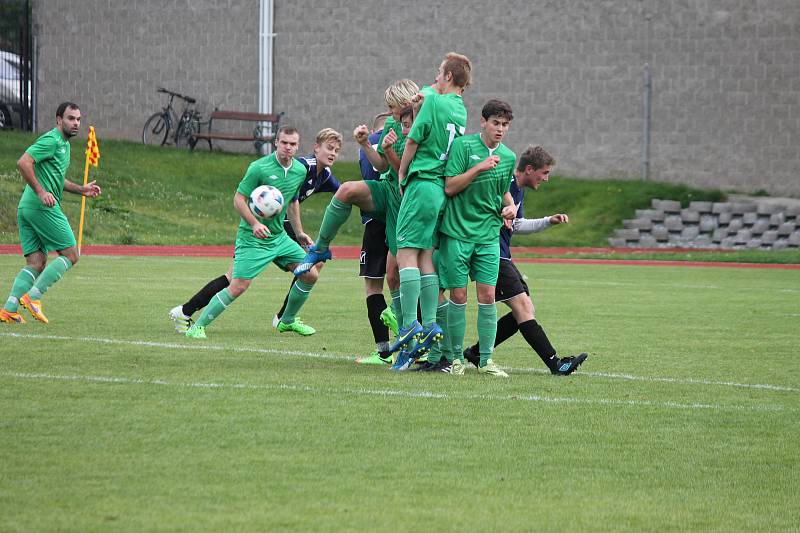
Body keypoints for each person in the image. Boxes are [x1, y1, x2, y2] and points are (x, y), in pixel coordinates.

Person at [291, 79, 420, 364]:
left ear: (407, 102)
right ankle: (320, 248)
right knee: (347, 189)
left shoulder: (425, 125)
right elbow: (382, 167)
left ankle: (409, 344)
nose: (390, 112)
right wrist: (364, 143)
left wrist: (387, 151)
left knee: (396, 275)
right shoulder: (392, 125)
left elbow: (406, 172)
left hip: (410, 201)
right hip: (388, 191)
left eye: (393, 106)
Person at [170, 128, 343, 335]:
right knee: (236, 283)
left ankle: (285, 319)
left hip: (279, 234)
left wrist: (299, 233)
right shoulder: (268, 167)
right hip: (256, 235)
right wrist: (254, 223)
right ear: (276, 142)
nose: (288, 147)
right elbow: (238, 199)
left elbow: (296, 200)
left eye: (293, 144)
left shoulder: (306, 171)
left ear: (298, 146)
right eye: (284, 143)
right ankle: (193, 321)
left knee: (311, 270)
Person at [461, 146, 589, 375]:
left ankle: (478, 352)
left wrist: (549, 220)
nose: (546, 178)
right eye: (544, 172)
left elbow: (517, 224)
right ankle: (556, 364)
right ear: (529, 169)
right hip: (491, 253)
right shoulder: (504, 183)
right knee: (523, 308)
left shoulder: (518, 190)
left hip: (502, 254)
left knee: (525, 308)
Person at [417, 99, 517, 377]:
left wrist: (510, 207)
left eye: (505, 125)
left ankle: (486, 361)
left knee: (487, 296)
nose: (500, 129)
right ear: (483, 122)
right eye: (495, 123)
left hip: (488, 236)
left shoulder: (508, 157)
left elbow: (503, 193)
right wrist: (479, 168)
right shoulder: (463, 146)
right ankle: (457, 358)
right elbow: (450, 187)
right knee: (458, 295)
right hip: (457, 234)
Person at [390, 52, 471, 369]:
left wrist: (401, 174)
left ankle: (410, 325)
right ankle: (429, 325)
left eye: (440, 72)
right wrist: (424, 92)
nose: (436, 77)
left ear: (449, 77)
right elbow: (429, 94)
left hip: (422, 181)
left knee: (405, 253)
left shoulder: (435, 103)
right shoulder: (460, 109)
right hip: (439, 188)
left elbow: (412, 140)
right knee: (424, 256)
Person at [1, 102, 102, 324]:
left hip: (26, 207)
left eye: (78, 119)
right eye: (70, 118)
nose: (75, 123)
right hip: (41, 206)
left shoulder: (64, 145)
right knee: (72, 254)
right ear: (58, 120)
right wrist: (40, 191)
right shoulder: (52, 140)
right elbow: (24, 162)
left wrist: (81, 189)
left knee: (36, 263)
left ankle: (9, 308)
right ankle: (34, 297)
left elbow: (56, 178)